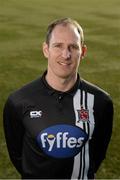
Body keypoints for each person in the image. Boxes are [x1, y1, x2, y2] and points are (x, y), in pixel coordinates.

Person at [3, 17, 113, 179]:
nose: (66, 54)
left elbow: (98, 153)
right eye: (58, 46)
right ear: (46, 49)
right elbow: (17, 155)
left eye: (73, 47)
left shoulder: (100, 102)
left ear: (82, 52)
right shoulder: (18, 101)